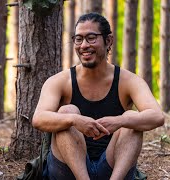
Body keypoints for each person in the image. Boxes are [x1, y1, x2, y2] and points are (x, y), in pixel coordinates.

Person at [32, 12, 164, 180]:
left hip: (112, 168)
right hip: (68, 170)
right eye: (78, 39)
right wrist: (74, 119)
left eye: (91, 38)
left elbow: (157, 116)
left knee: (131, 118)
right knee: (66, 112)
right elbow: (38, 118)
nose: (84, 45)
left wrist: (119, 121)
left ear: (108, 41)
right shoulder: (60, 81)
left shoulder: (128, 81)